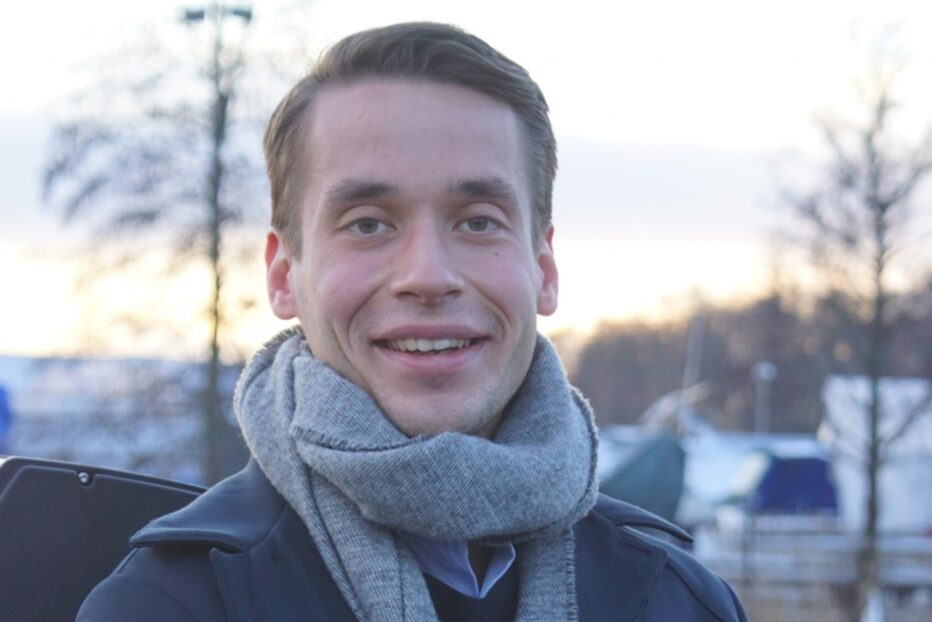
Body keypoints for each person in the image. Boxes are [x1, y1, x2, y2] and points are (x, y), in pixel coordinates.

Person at [78, 22, 746, 621]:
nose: (427, 275)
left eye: (477, 222)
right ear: (283, 275)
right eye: (368, 224)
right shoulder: (168, 605)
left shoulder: (681, 603)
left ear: (543, 268)